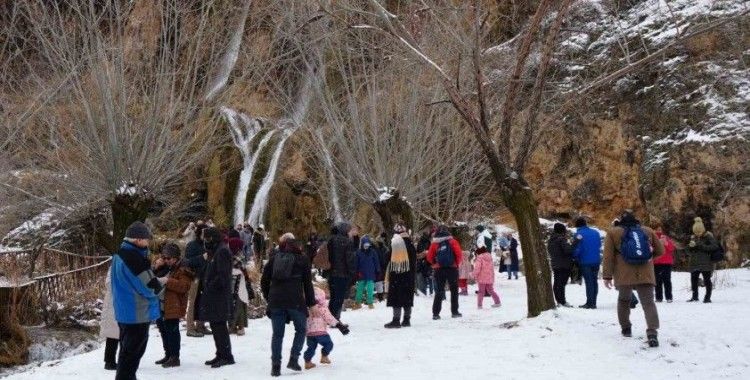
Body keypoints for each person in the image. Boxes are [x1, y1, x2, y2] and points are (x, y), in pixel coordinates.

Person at [602, 211, 664, 348]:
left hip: (623, 273)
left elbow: (608, 256)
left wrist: (607, 275)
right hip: (646, 272)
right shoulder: (647, 231)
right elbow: (661, 250)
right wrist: (647, 258)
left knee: (624, 300)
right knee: (648, 303)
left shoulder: (613, 233)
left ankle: (626, 328)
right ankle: (652, 332)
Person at [110, 222, 161, 380]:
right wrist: (159, 287)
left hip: (124, 311)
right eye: (146, 239)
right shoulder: (133, 258)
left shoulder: (119, 254)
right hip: (136, 313)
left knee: (126, 353)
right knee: (131, 356)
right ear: (138, 240)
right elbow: (149, 287)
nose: (148, 242)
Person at [260, 237, 316, 377]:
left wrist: (269, 298)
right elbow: (307, 285)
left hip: (276, 301)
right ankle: (293, 359)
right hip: (295, 300)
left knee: (277, 334)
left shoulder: (274, 259)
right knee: (301, 330)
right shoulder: (302, 260)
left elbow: (264, 280)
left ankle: (275, 366)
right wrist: (311, 303)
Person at [198, 227, 235, 368]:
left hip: (219, 296)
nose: (205, 241)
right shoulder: (216, 251)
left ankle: (226, 355)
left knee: (219, 325)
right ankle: (220, 353)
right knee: (215, 324)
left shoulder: (222, 251)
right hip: (214, 295)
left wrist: (210, 285)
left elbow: (223, 276)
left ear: (212, 238)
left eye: (207, 239)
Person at [153, 243, 194, 368]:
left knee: (172, 331)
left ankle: (175, 357)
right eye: (164, 258)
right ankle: (168, 354)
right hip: (161, 303)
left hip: (174, 304)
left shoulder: (183, 269)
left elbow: (184, 286)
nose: (166, 260)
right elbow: (151, 277)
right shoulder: (165, 267)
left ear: (175, 258)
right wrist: (156, 267)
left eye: (168, 258)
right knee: (163, 329)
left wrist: (167, 281)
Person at [303, 287, 350, 370]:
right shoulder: (322, 309)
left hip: (309, 334)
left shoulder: (307, 308)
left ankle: (307, 362)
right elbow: (330, 318)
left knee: (311, 348)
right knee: (329, 344)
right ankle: (324, 356)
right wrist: (339, 326)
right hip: (321, 332)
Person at [427, 225, 463, 320]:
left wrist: (435, 264)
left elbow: (429, 257)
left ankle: (436, 313)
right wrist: (455, 264)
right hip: (452, 269)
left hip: (439, 270)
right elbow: (459, 255)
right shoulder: (453, 241)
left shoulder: (435, 243)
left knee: (439, 291)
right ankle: (454, 311)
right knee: (454, 290)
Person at [384, 225, 417, 328]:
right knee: (407, 297)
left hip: (397, 274)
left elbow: (389, 257)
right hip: (409, 275)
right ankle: (407, 320)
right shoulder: (410, 243)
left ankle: (396, 320)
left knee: (396, 297)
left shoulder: (396, 242)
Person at [327, 222, 356, 320]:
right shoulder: (347, 242)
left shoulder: (331, 240)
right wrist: (352, 273)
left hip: (331, 273)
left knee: (333, 297)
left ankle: (329, 318)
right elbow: (350, 260)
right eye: (349, 230)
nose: (350, 232)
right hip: (342, 274)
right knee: (339, 298)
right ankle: (335, 319)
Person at [686, 217, 719, 303]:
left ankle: (707, 297)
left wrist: (701, 245)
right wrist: (690, 247)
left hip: (706, 262)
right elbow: (687, 251)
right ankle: (694, 296)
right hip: (695, 262)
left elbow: (714, 247)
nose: (698, 234)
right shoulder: (693, 237)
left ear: (703, 230)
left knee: (707, 280)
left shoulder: (709, 236)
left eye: (699, 232)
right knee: (693, 279)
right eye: (696, 232)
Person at [185, 223, 210, 337]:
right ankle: (190, 327)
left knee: (203, 301)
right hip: (194, 277)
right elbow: (187, 262)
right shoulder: (192, 245)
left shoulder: (206, 245)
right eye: (205, 232)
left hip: (205, 277)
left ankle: (201, 325)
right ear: (200, 232)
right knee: (192, 302)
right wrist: (201, 258)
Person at [573, 217, 602, 309]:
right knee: (594, 281)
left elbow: (578, 249)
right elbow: (599, 245)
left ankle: (590, 303)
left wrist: (575, 257)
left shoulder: (579, 234)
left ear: (577, 225)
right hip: (596, 260)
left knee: (589, 282)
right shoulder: (596, 232)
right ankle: (594, 302)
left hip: (585, 261)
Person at [227, 233, 251, 335]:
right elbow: (243, 269)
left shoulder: (235, 255)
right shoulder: (235, 255)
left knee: (237, 304)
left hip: (237, 283)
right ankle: (234, 326)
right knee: (236, 305)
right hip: (236, 283)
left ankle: (238, 326)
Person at [548, 223, 574, 307]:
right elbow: (568, 250)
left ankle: (558, 301)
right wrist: (575, 242)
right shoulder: (561, 239)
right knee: (562, 283)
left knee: (556, 283)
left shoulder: (551, 240)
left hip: (555, 264)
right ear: (562, 231)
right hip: (564, 264)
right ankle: (562, 301)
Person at [353, 236, 380, 309]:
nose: (366, 246)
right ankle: (358, 303)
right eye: (365, 245)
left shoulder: (373, 252)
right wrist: (356, 271)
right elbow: (356, 263)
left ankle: (370, 303)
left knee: (370, 289)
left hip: (371, 273)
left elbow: (376, 261)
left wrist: (378, 270)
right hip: (361, 273)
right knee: (360, 289)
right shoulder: (358, 252)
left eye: (367, 245)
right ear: (362, 244)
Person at [100, 267, 119, 370]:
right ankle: (109, 361)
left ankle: (124, 361)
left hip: (124, 306)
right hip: (113, 306)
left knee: (126, 336)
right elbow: (109, 284)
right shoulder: (114, 267)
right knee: (113, 336)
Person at [653, 222, 675, 303]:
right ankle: (659, 297)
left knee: (667, 280)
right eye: (657, 229)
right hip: (656, 262)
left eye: (660, 229)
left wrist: (666, 243)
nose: (659, 231)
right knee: (657, 281)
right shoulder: (652, 238)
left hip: (666, 262)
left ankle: (669, 297)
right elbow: (650, 249)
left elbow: (671, 248)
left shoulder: (666, 237)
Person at [415, 229, 434, 296]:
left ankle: (423, 292)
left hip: (422, 262)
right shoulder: (429, 242)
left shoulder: (420, 242)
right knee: (429, 278)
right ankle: (431, 292)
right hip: (427, 262)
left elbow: (417, 253)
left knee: (422, 279)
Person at [374, 232, 390, 302]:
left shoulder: (385, 248)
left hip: (383, 265)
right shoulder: (376, 248)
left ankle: (382, 294)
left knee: (382, 281)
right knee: (379, 281)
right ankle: (380, 295)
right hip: (380, 266)